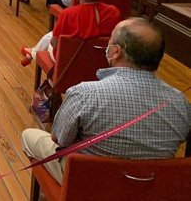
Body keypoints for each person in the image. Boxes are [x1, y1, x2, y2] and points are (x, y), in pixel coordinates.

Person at [21, 18, 191, 184]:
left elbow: (60, 139)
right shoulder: (181, 102)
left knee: (29, 136)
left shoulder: (84, 93)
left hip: (90, 182)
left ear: (116, 51)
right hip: (153, 186)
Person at [20, 0, 120, 66]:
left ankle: (32, 54)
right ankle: (31, 53)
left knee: (51, 37)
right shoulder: (113, 11)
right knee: (51, 36)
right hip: (101, 58)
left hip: (70, 60)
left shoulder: (68, 14)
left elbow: (54, 43)